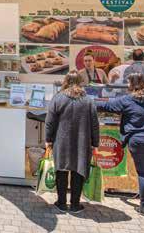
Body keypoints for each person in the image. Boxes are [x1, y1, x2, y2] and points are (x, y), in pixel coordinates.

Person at [96, 73, 144, 219]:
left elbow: (106, 106)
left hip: (139, 142)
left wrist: (85, 102)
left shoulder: (127, 100)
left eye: (128, 83)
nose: (127, 86)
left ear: (132, 84)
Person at [44, 72, 100, 213]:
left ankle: (61, 203)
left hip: (61, 141)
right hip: (82, 143)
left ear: (66, 81)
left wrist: (48, 140)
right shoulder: (88, 100)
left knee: (61, 170)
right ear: (80, 82)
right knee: (78, 171)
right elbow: (95, 124)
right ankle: (75, 204)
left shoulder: (58, 98)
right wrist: (95, 143)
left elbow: (49, 122)